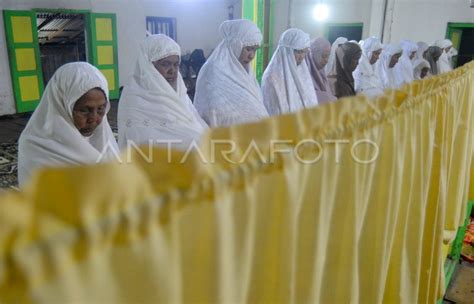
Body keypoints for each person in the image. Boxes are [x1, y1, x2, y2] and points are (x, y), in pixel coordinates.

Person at [17, 62, 119, 186]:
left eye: (101, 109)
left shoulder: (103, 135)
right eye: (84, 110)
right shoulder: (35, 146)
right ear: (62, 105)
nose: (94, 118)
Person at [117, 34, 207, 150]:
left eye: (176, 64)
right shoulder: (135, 97)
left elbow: (195, 122)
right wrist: (194, 141)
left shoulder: (178, 92)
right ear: (148, 65)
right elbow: (143, 141)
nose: (172, 71)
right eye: (165, 64)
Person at [194, 19, 268, 127]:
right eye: (248, 49)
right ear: (235, 45)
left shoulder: (245, 71)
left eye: (255, 50)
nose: (252, 56)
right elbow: (213, 110)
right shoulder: (212, 72)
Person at [261, 28, 318, 115]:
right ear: (286, 51)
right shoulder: (272, 77)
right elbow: (275, 111)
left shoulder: (301, 71)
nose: (302, 57)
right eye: (298, 52)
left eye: (304, 52)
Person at [305, 37, 337, 103]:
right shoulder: (304, 76)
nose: (327, 60)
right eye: (324, 56)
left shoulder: (321, 73)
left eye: (328, 56)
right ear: (313, 54)